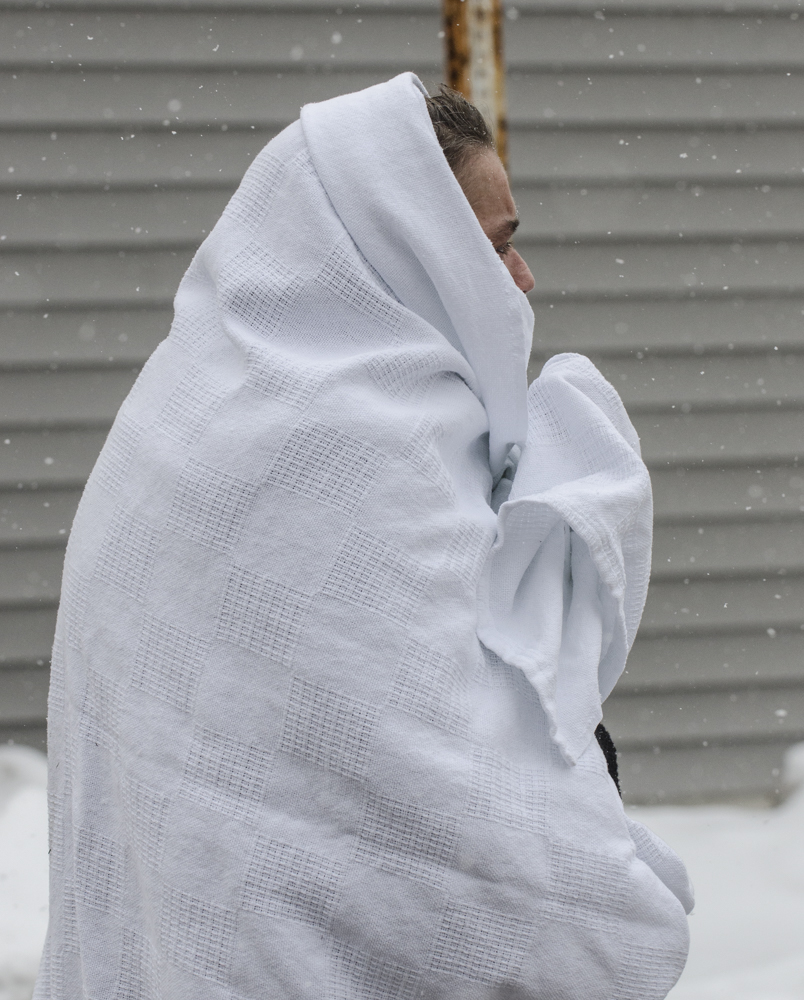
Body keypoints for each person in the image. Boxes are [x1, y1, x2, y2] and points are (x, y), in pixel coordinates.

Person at [34, 73, 692, 1000]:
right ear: (413, 241)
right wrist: (615, 892)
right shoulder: (354, 455)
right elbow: (486, 852)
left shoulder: (185, 407)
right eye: (498, 246)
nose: (523, 280)